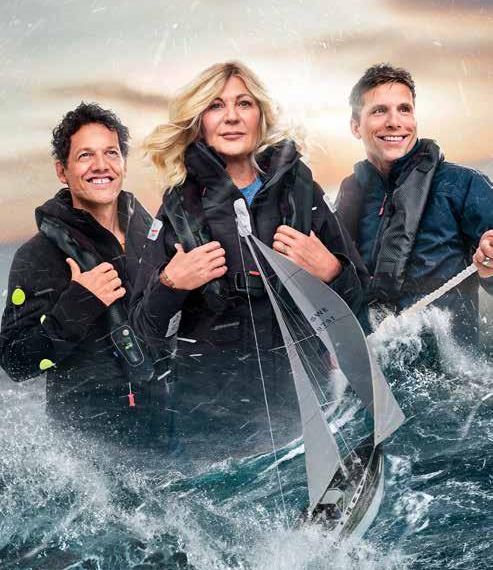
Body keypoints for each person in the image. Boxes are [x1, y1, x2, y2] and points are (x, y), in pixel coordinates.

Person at [130, 60, 368, 462]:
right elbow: (142, 332)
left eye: (244, 103)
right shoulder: (177, 209)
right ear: (199, 122)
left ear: (260, 115)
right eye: (216, 106)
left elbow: (360, 301)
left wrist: (331, 271)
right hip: (212, 429)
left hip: (306, 409)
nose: (232, 117)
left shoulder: (302, 191)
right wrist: (170, 283)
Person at [0, 103, 170, 438]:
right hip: (90, 445)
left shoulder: (154, 235)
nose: (101, 165)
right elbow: (14, 362)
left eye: (111, 153)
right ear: (62, 171)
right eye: (85, 155)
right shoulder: (38, 255)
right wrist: (78, 304)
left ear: (123, 163)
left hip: (170, 429)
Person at [335, 63, 493, 344]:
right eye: (379, 110)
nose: (394, 122)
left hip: (447, 367)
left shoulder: (463, 184)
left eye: (404, 109)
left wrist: (490, 267)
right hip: (371, 361)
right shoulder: (350, 194)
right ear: (355, 127)